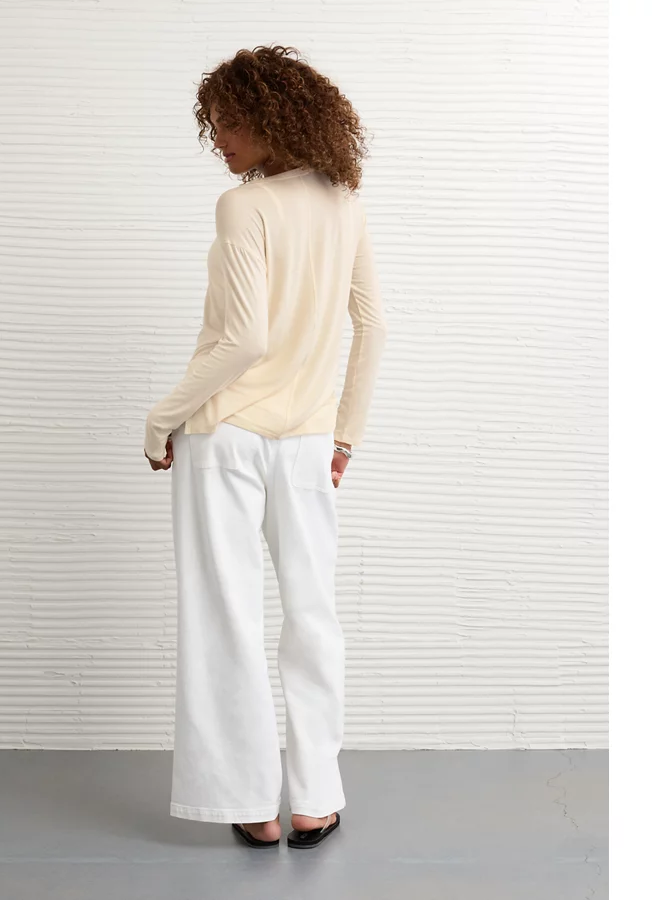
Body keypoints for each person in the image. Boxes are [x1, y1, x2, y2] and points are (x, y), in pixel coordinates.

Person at [143, 45, 387, 850]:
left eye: (228, 123)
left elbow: (242, 339)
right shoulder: (344, 204)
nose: (218, 140)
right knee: (313, 617)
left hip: (225, 435)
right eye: (212, 125)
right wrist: (345, 434)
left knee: (224, 616)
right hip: (309, 440)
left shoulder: (243, 207)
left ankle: (249, 802)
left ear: (270, 118)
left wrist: (160, 419)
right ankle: (315, 799)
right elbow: (373, 326)